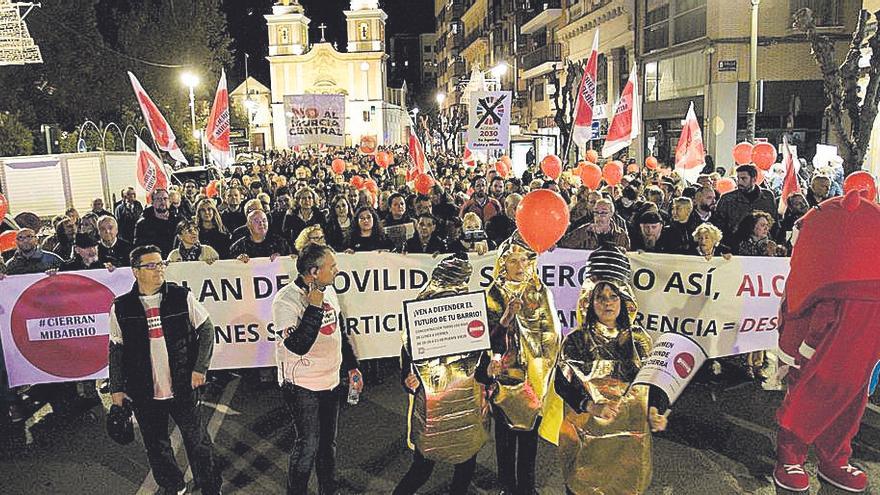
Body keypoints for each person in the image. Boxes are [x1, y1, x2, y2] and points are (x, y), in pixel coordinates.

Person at [772, 191, 880, 493]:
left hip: (862, 355)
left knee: (852, 403)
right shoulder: (820, 272)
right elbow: (803, 310)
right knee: (807, 396)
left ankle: (835, 458)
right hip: (818, 355)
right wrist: (799, 350)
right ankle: (790, 457)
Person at [108, 245, 221, 495]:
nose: (159, 269)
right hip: (144, 390)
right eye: (151, 265)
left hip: (183, 384)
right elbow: (116, 348)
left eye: (161, 264)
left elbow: (206, 329)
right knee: (156, 444)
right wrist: (116, 388)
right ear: (136, 271)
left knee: (198, 442)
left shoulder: (181, 297)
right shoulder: (121, 307)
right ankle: (173, 484)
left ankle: (210, 486)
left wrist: (199, 368)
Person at [555, 247, 669, 494]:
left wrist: (656, 410)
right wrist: (590, 406)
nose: (607, 303)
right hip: (587, 442)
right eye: (600, 297)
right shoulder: (576, 341)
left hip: (629, 444)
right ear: (589, 300)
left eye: (613, 296)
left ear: (625, 299)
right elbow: (562, 384)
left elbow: (654, 383)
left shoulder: (640, 340)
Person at [393, 254, 489, 495]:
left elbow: (482, 364)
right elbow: (408, 360)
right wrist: (408, 380)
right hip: (435, 404)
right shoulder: (420, 317)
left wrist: (490, 373)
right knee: (423, 465)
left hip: (465, 401)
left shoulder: (472, 312)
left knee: (465, 463)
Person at [272, 244, 362, 495]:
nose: (337, 270)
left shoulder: (329, 290)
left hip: (331, 382)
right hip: (302, 386)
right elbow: (298, 345)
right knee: (308, 445)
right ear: (313, 271)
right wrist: (313, 307)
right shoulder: (285, 300)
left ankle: (328, 489)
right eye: (331, 266)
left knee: (327, 445)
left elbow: (339, 334)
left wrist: (352, 367)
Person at [482, 232, 562, 495]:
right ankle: (507, 485)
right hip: (504, 380)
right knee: (504, 440)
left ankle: (526, 488)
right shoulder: (494, 293)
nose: (519, 267)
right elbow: (487, 338)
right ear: (503, 263)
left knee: (529, 440)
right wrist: (507, 319)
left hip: (533, 380)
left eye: (523, 261)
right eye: (513, 261)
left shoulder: (539, 292)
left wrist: (542, 367)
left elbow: (550, 335)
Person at [713, 164, 777, 240]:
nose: (739, 182)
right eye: (738, 178)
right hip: (735, 245)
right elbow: (718, 225)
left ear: (754, 179)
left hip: (763, 244)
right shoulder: (727, 199)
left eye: (743, 178)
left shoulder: (767, 197)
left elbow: (774, 222)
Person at [559, 198, 631, 251]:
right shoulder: (585, 230)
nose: (599, 216)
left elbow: (631, 257)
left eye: (603, 213)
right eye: (596, 212)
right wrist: (584, 232)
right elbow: (564, 245)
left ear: (611, 214)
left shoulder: (621, 234)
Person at [134, 189, 180, 257]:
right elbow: (139, 248)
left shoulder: (178, 221)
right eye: (158, 199)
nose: (162, 201)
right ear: (152, 202)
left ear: (169, 201)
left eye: (165, 198)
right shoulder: (142, 224)